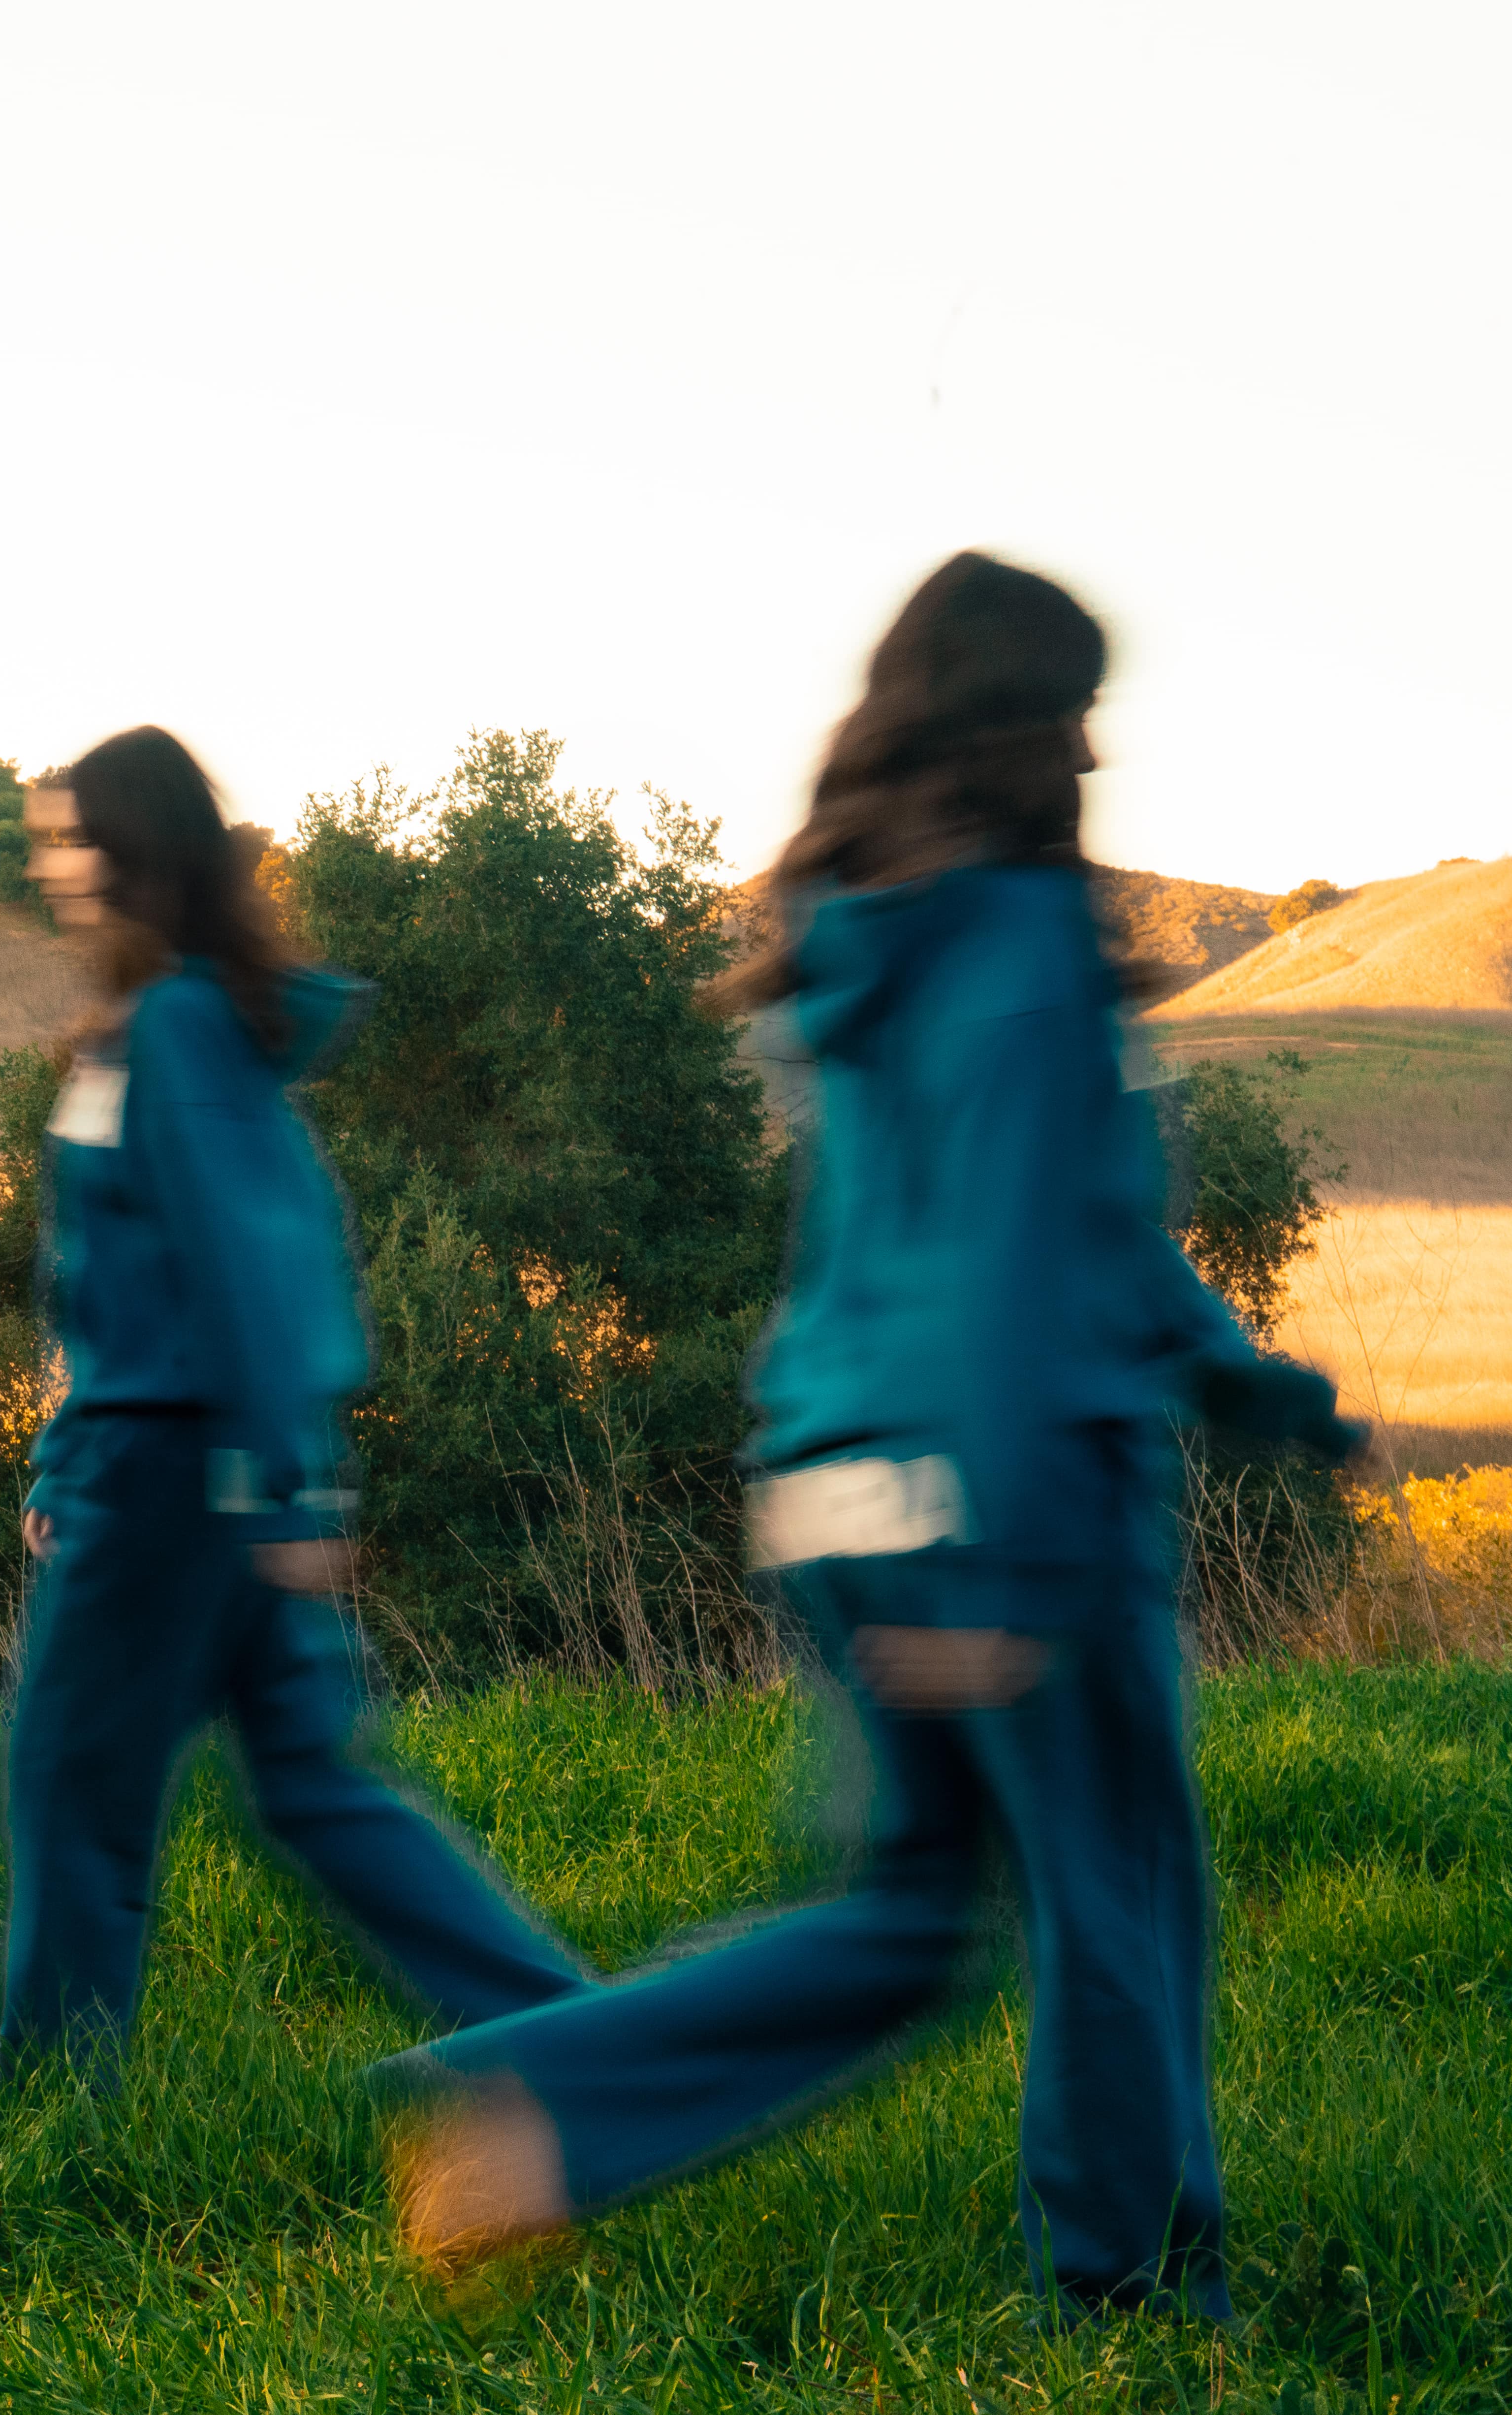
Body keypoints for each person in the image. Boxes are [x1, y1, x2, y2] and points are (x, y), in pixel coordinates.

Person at [379, 552, 1361, 2321]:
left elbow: (1071, 1238)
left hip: (835, 1483)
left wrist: (1255, 1388)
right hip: (1008, 1497)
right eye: (1068, 706)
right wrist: (993, 1542)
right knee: (1115, 1896)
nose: (1088, 747)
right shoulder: (1016, 949)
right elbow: (1010, 1256)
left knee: (914, 1911)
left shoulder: (875, 950)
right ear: (1008, 724)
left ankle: (552, 2098)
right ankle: (1136, 2298)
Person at [0, 727, 590, 2075]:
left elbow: (255, 1258)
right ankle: (580, 2040)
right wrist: (54, 1458)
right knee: (318, 1784)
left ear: (126, 849)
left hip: (179, 1477)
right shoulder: (148, 1020)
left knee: (70, 1782)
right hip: (165, 1462)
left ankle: (47, 2097)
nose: (46, 865)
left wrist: (285, 1480)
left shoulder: (180, 1026)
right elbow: (104, 1281)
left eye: (63, 838)